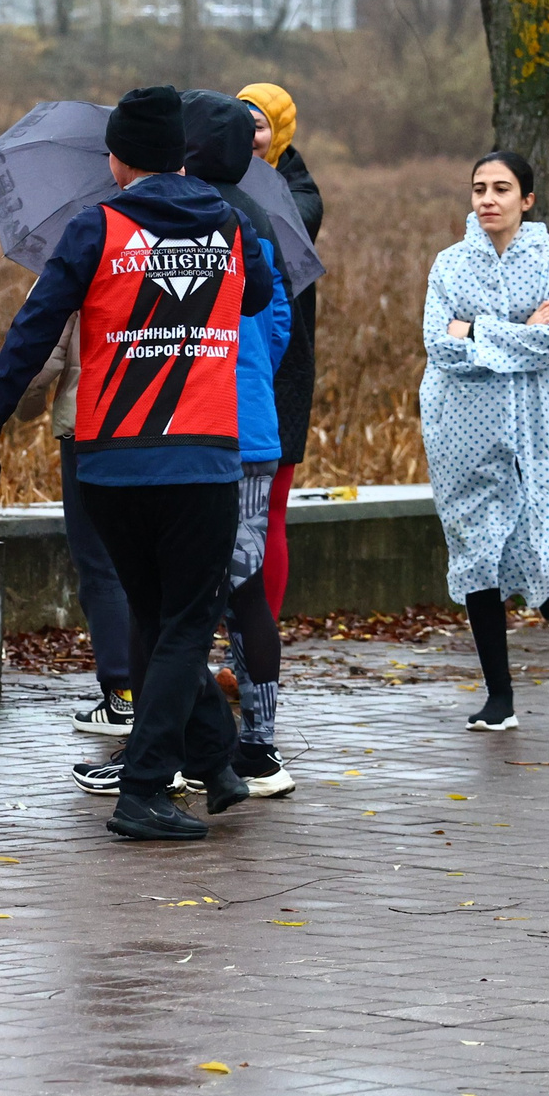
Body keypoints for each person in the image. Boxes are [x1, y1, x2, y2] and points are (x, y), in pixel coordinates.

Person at [0, 87, 275, 841]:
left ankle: (217, 763)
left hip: (110, 462)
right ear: (184, 156)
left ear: (118, 159)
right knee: (187, 623)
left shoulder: (96, 227)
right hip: (200, 459)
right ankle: (143, 790)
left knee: (159, 620)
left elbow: (28, 338)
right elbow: (257, 294)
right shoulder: (228, 224)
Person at [419, 151, 549, 732]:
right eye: (479, 188)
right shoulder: (449, 265)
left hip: (541, 419)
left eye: (501, 188)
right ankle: (498, 695)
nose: (487, 198)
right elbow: (441, 346)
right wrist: (514, 332)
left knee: (545, 537)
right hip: (461, 421)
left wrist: (478, 331)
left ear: (526, 200)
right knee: (477, 551)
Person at [178, 90, 295, 798]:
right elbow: (278, 321)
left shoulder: (180, 214)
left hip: (195, 424)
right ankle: (260, 743)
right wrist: (249, 371)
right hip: (253, 424)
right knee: (245, 590)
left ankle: (189, 744)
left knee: (188, 588)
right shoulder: (259, 221)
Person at [234, 81, 323, 756]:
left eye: (260, 123)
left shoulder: (294, 191)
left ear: (283, 130)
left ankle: (263, 629)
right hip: (246, 368)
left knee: (273, 513)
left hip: (279, 369)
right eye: (239, 121)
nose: (251, 133)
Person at [13, 320, 137, 737]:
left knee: (99, 562)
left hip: (91, 424)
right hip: (163, 426)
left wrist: (24, 404)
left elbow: (42, 350)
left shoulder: (79, 255)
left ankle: (122, 696)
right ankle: (159, 692)